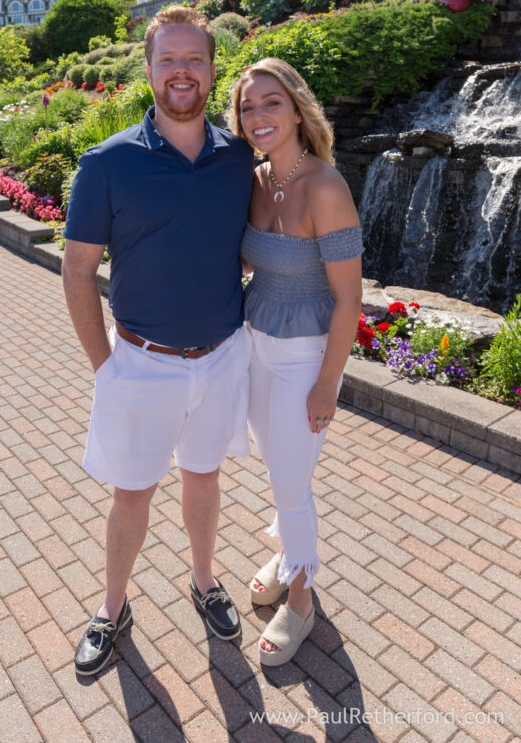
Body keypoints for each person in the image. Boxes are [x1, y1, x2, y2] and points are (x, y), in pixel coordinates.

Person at [62, 6, 254, 676]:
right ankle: (111, 608)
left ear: (211, 68)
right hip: (140, 364)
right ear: (148, 71)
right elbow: (78, 269)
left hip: (224, 357)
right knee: (132, 494)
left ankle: (204, 581)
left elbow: (253, 243)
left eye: (193, 59)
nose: (182, 71)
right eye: (168, 60)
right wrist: (105, 366)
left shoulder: (239, 158)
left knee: (205, 476)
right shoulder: (107, 163)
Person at [229, 58, 363, 666]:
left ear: (297, 109)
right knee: (278, 469)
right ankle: (286, 556)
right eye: (248, 106)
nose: (258, 115)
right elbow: (251, 264)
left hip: (303, 359)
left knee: (291, 483)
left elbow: (349, 298)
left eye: (271, 103)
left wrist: (327, 384)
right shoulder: (255, 181)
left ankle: (303, 599)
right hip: (255, 347)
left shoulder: (326, 186)